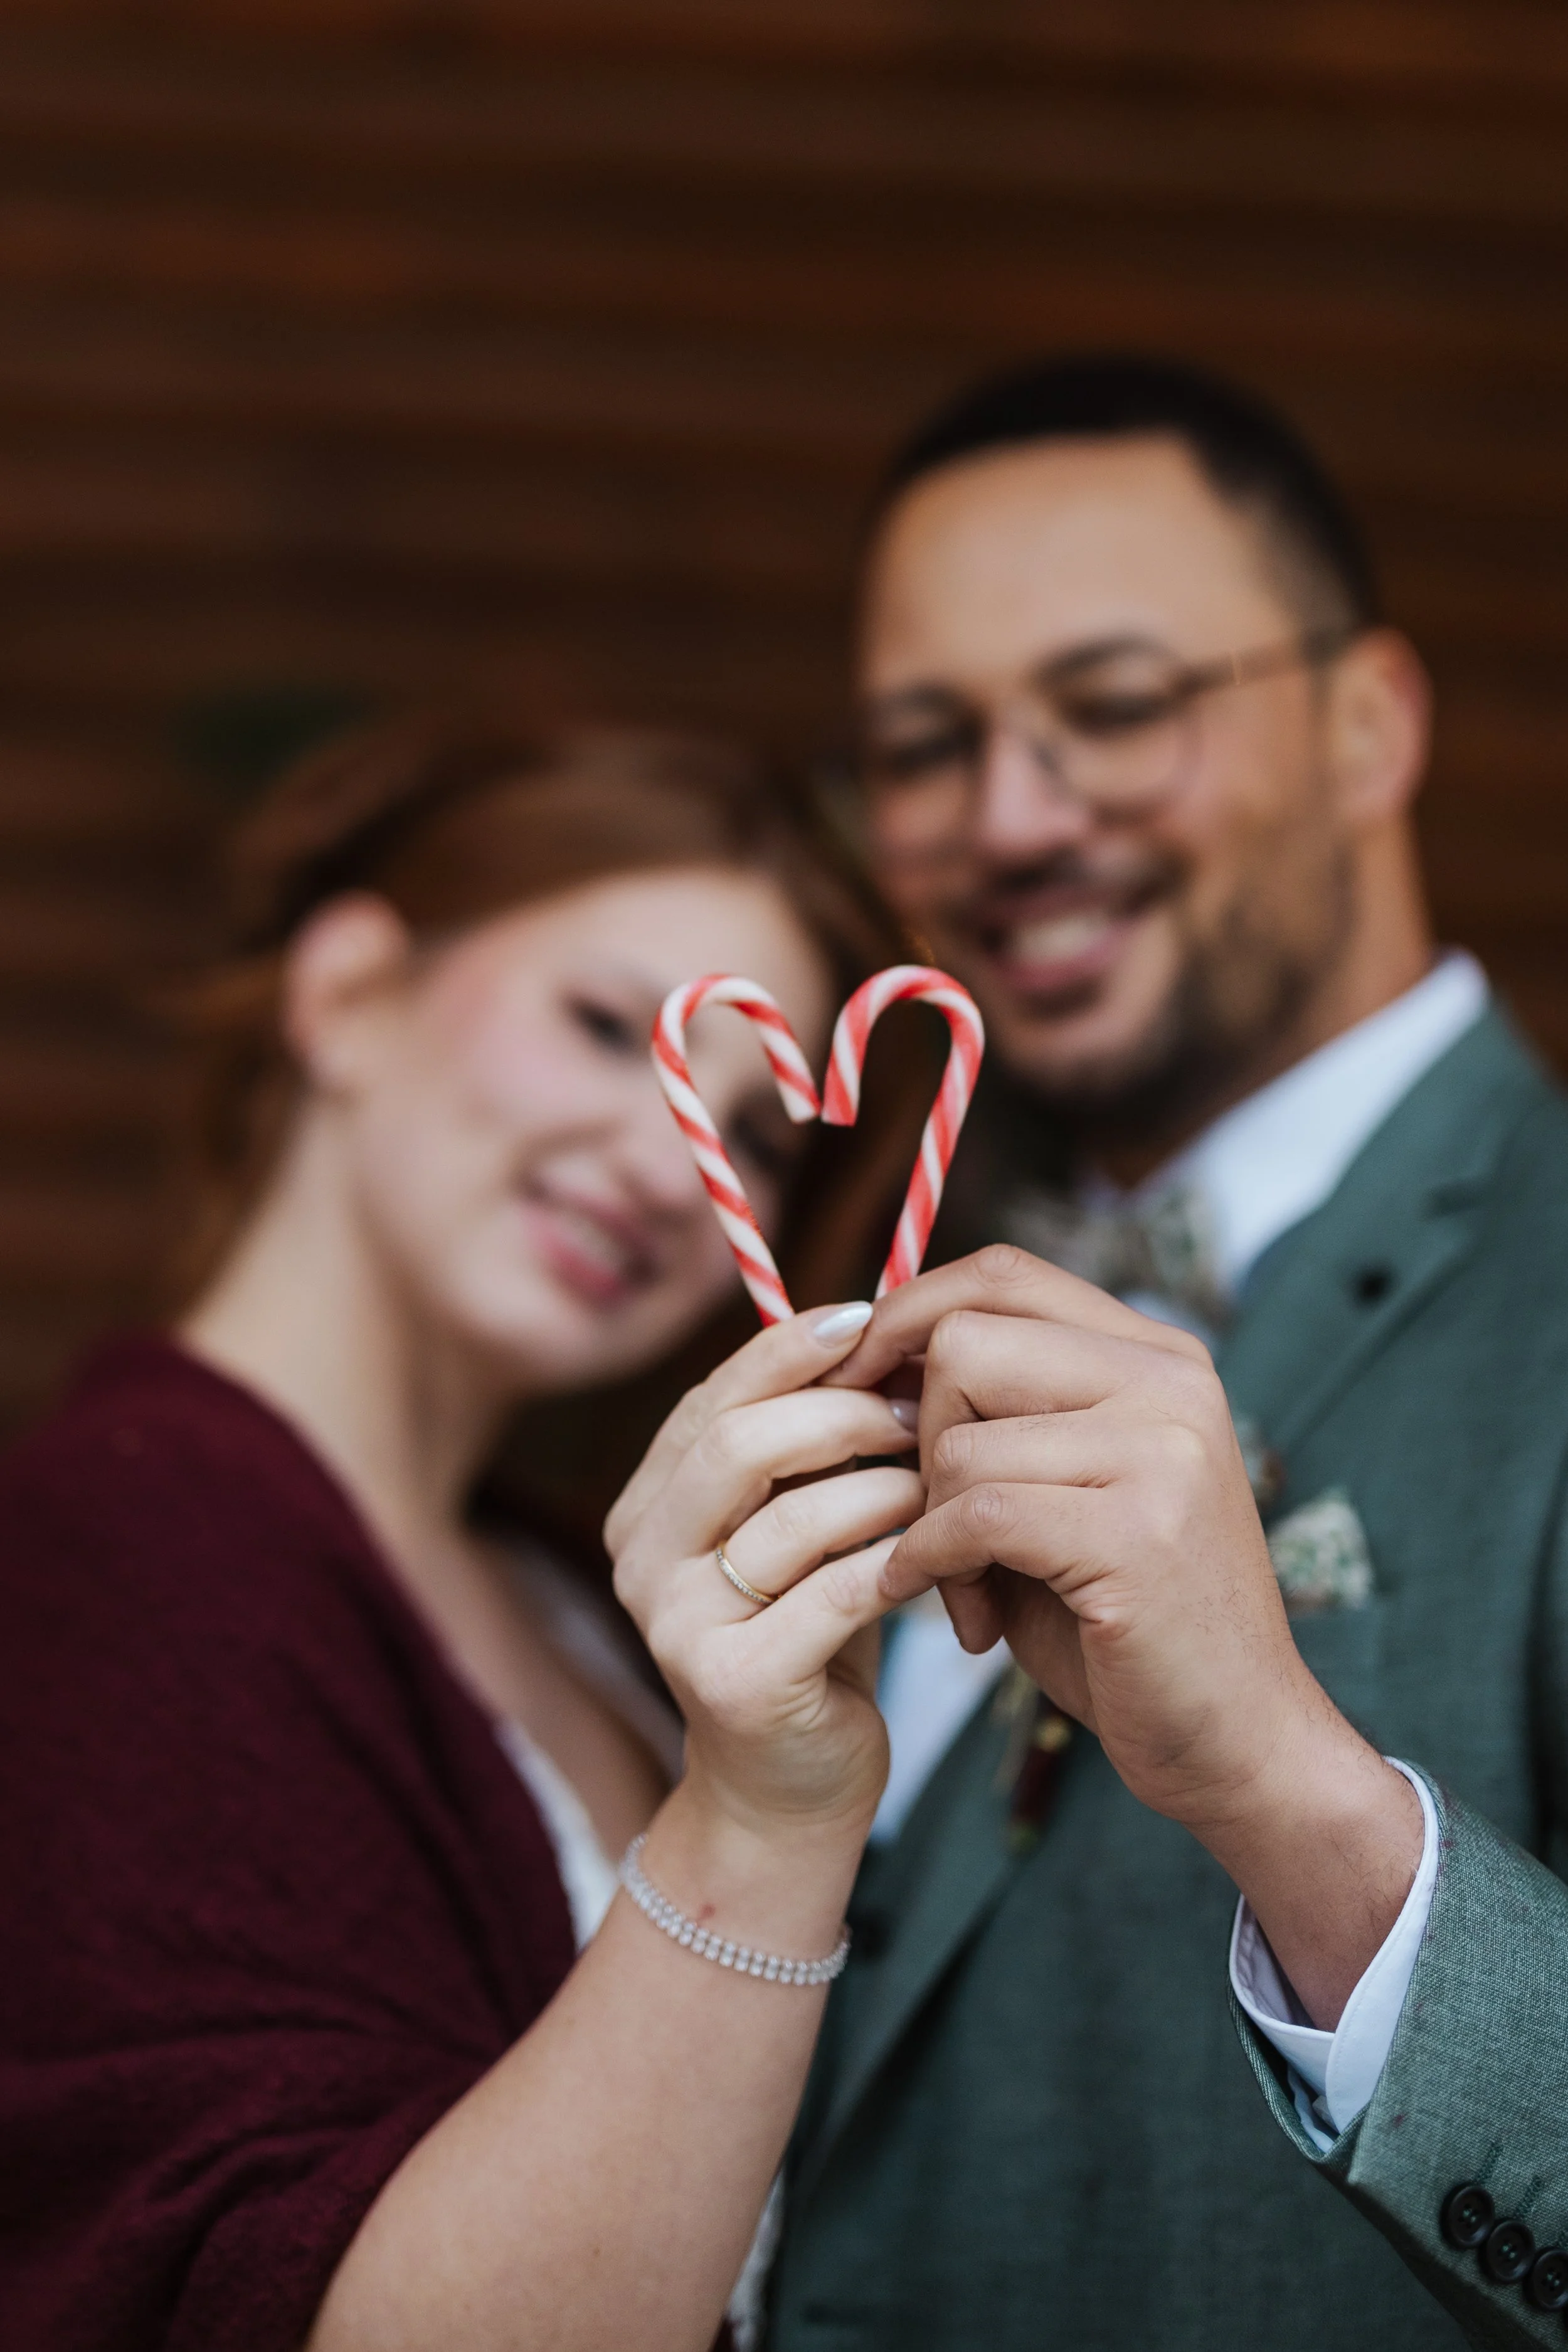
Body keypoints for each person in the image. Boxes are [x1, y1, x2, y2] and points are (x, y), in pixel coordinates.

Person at [764, 356, 1568, 2349]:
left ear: (1368, 722)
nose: (1010, 817)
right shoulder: (850, 1290)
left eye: (1115, 706)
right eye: (923, 742)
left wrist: (1287, 1789)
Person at [0, 714, 928, 2352]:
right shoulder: (100, 1561)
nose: (670, 1163)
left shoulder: (574, 1592)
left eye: (758, 1133)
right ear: (348, 991)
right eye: (601, 1026)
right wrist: (759, 1825)